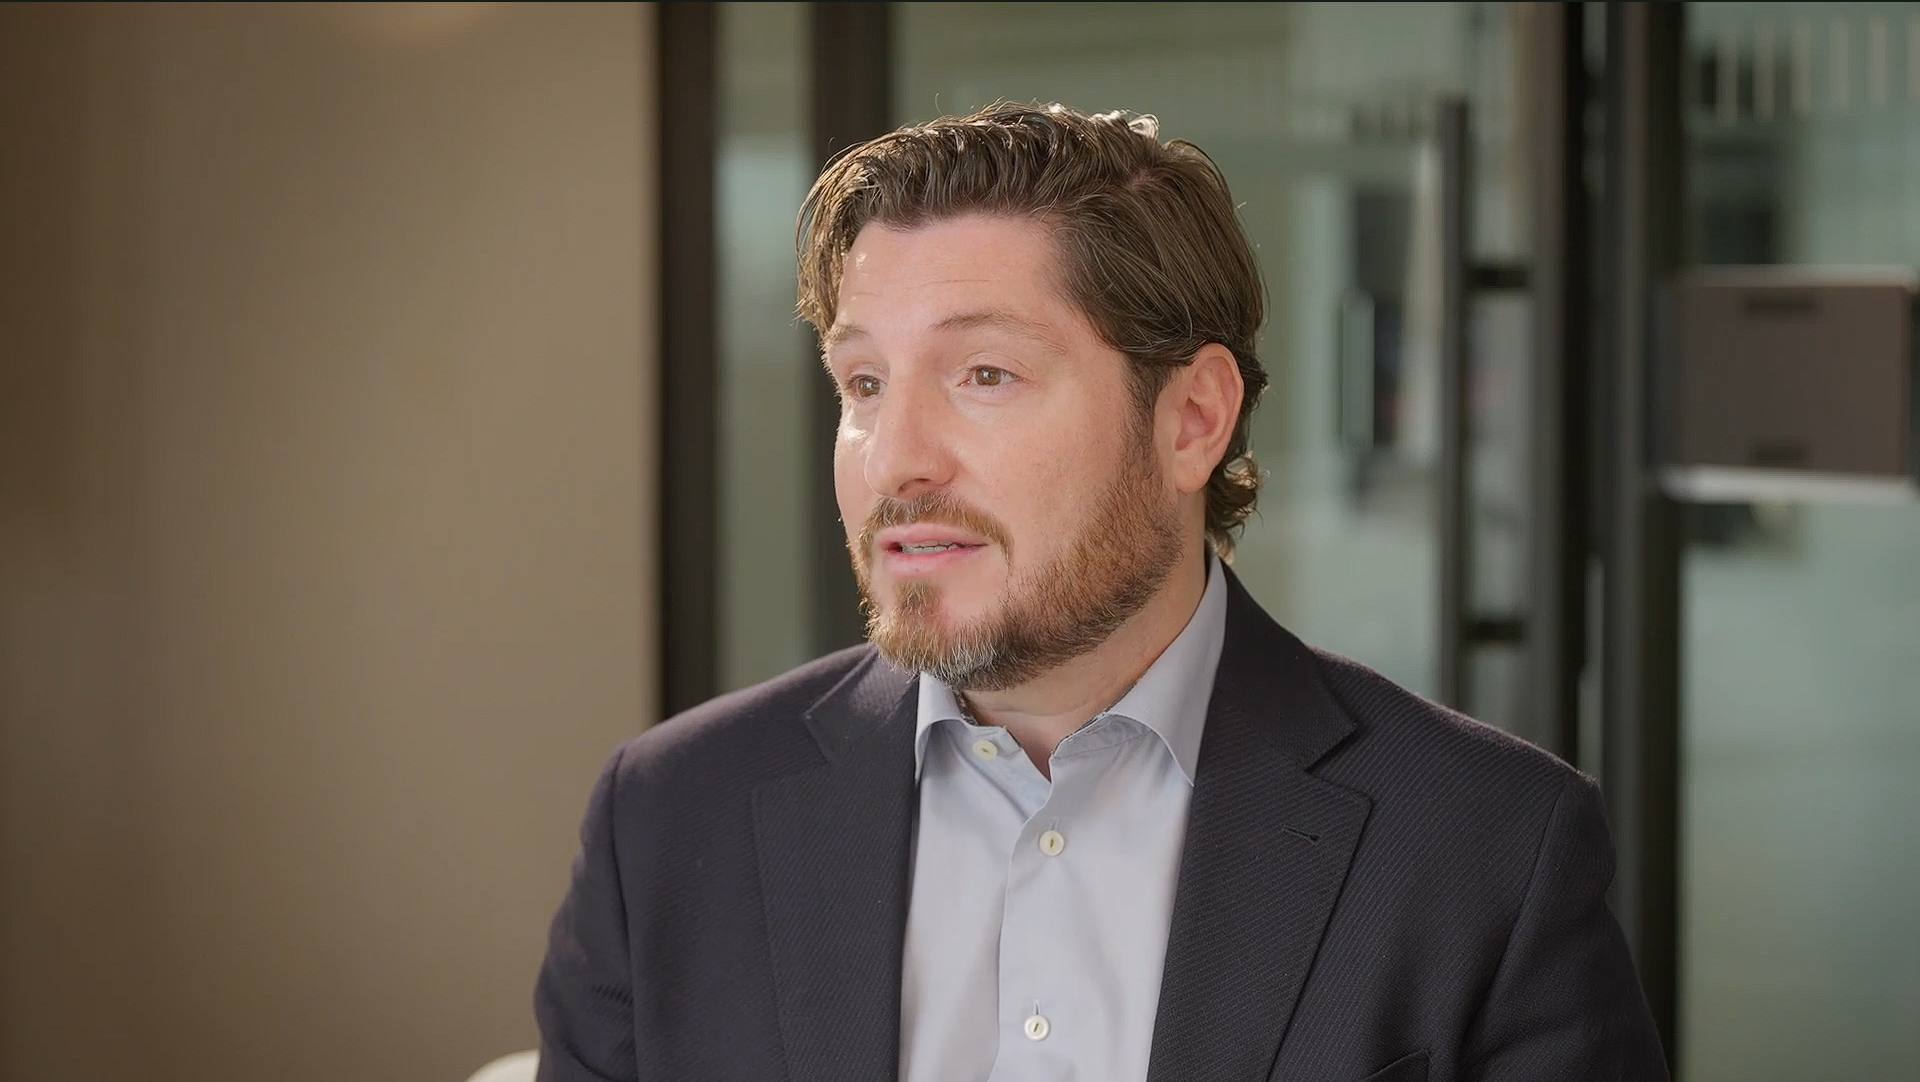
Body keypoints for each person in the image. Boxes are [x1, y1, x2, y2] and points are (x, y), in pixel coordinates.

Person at [533, 102, 1667, 1082]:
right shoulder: (666, 821)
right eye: (863, 383)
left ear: (1193, 420)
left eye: (984, 373)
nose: (895, 459)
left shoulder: (1489, 845)